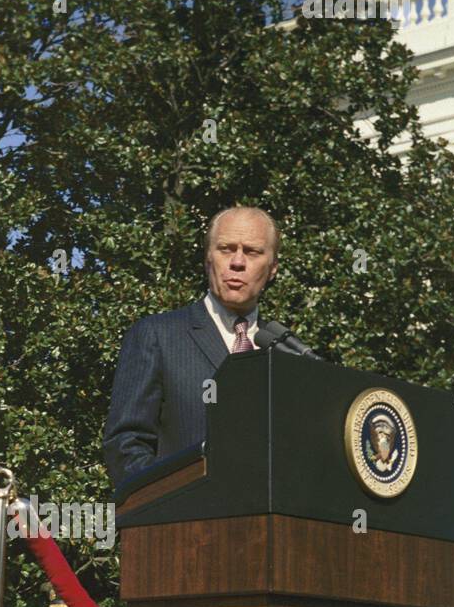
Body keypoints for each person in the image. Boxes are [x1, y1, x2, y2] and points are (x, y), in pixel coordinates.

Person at [102, 206, 315, 486]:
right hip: (185, 524)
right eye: (226, 249)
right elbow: (125, 445)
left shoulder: (290, 354)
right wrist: (176, 500)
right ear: (207, 260)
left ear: (273, 268)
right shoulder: (157, 336)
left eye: (252, 252)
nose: (237, 262)